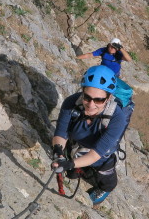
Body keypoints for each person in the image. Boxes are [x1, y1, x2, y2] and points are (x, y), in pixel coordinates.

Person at [51, 65, 129, 205]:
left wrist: (70, 163)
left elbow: (95, 154)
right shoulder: (72, 103)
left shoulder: (117, 118)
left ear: (109, 97)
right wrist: (58, 151)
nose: (91, 104)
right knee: (72, 173)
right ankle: (79, 169)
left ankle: (104, 189)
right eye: (87, 97)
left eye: (98, 100)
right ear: (82, 92)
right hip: (77, 146)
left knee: (107, 181)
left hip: (100, 155)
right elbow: (61, 133)